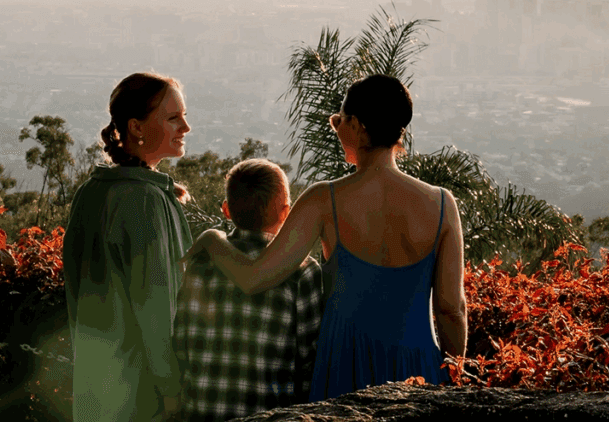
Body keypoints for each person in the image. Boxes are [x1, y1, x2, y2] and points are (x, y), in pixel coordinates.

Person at [182, 74, 467, 400]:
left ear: (358, 126)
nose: (335, 128)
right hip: (419, 370)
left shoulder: (324, 201)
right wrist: (454, 386)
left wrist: (211, 238)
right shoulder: (442, 204)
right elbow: (451, 310)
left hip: (344, 370)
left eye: (339, 120)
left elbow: (253, 277)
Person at [62, 72, 193, 422]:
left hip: (93, 390)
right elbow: (158, 308)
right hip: (140, 396)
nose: (186, 127)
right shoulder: (145, 202)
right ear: (136, 128)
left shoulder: (90, 192)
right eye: (172, 118)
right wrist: (171, 390)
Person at [173, 158, 324, 421]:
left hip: (202, 410)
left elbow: (181, 344)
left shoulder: (200, 262)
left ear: (226, 210)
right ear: (285, 212)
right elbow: (308, 361)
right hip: (270, 412)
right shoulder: (302, 271)